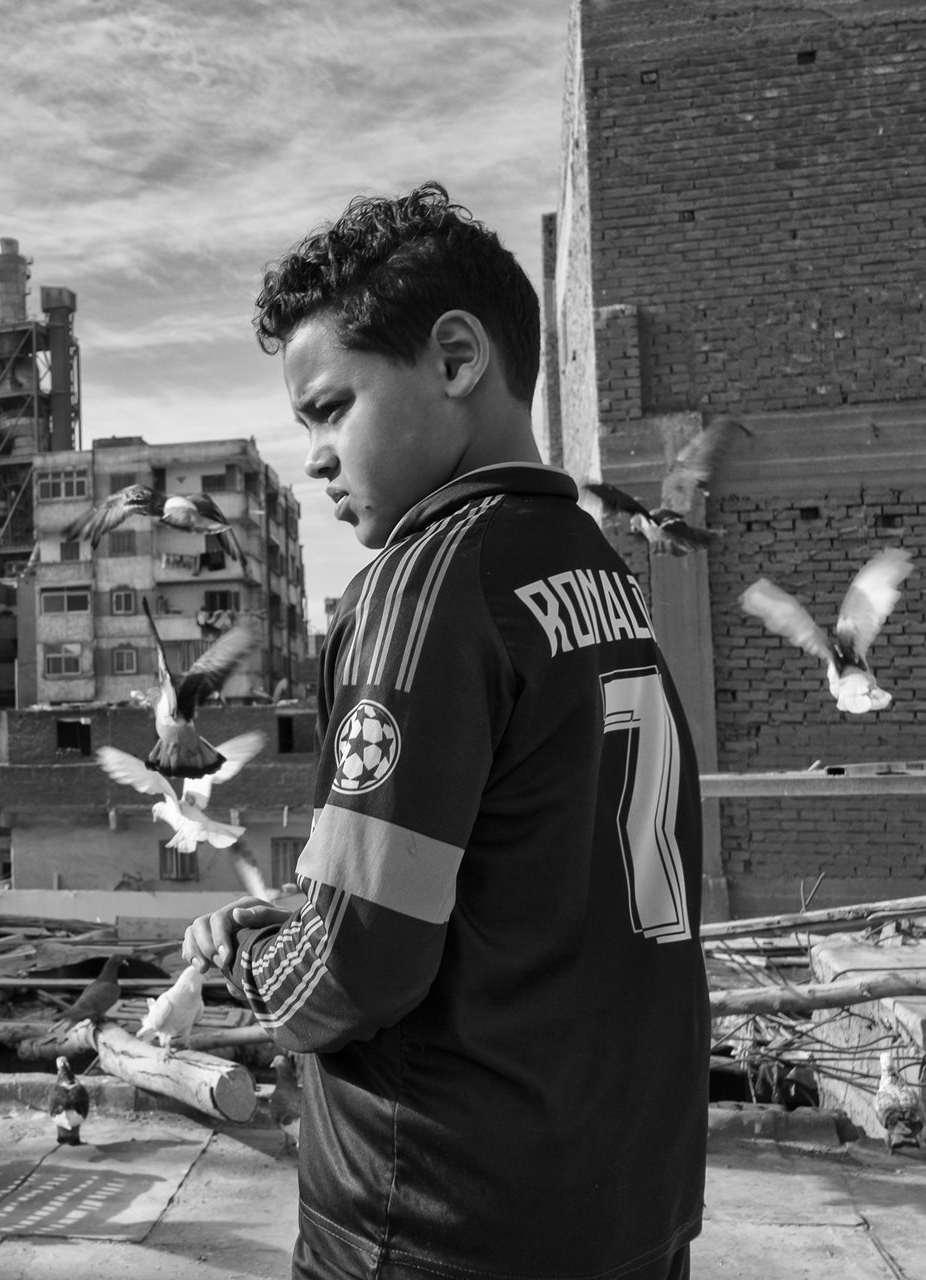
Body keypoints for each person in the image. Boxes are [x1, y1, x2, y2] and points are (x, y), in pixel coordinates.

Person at [184, 180, 708, 1280]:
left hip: (438, 1215)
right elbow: (519, 871)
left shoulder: (426, 583)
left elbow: (358, 968)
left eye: (330, 408)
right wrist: (316, 910)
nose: (313, 457)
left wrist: (251, 962)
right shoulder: (591, 564)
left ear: (456, 358)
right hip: (630, 1198)